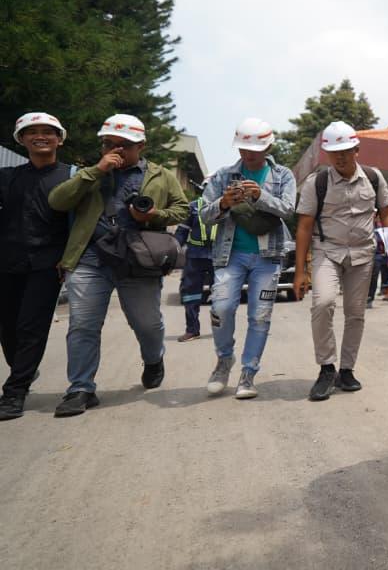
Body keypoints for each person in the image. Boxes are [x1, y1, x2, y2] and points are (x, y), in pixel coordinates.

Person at [48, 113, 187, 417]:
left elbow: (182, 210)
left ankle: (153, 358)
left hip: (137, 260)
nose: (117, 150)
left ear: (141, 146)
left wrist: (150, 216)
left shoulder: (160, 175)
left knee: (147, 324)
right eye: (109, 143)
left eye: (125, 145)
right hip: (89, 260)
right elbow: (57, 202)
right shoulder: (88, 173)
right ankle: (81, 388)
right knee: (83, 325)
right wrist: (96, 172)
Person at [293, 121, 388, 401]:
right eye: (334, 151)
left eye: (346, 150)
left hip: (363, 255)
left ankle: (346, 370)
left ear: (356, 149)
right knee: (323, 303)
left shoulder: (374, 178)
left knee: (355, 313)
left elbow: (386, 214)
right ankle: (327, 368)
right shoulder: (318, 182)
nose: (340, 156)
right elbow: (303, 227)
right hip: (328, 251)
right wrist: (300, 272)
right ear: (326, 153)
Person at [198, 118, 297, 399]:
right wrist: (225, 202)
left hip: (267, 257)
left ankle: (248, 373)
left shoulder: (283, 175)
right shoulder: (222, 176)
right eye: (243, 148)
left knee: (260, 316)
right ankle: (223, 360)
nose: (248, 154)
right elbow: (203, 214)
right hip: (230, 255)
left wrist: (259, 196)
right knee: (221, 308)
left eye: (254, 149)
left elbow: (288, 209)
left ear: (268, 147)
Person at [0, 113, 73, 420]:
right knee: (8, 328)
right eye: (32, 133)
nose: (40, 136)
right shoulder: (7, 177)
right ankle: (25, 371)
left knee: (32, 326)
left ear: (59, 139)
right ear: (21, 140)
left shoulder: (72, 176)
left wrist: (68, 259)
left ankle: (15, 392)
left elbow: (80, 223)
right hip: (7, 262)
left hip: (47, 264)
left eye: (47, 132)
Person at [174, 185, 218, 343]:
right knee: (191, 293)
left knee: (221, 295)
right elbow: (182, 232)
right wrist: (171, 252)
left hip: (218, 257)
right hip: (195, 256)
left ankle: (221, 329)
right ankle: (192, 330)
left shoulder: (226, 206)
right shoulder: (193, 207)